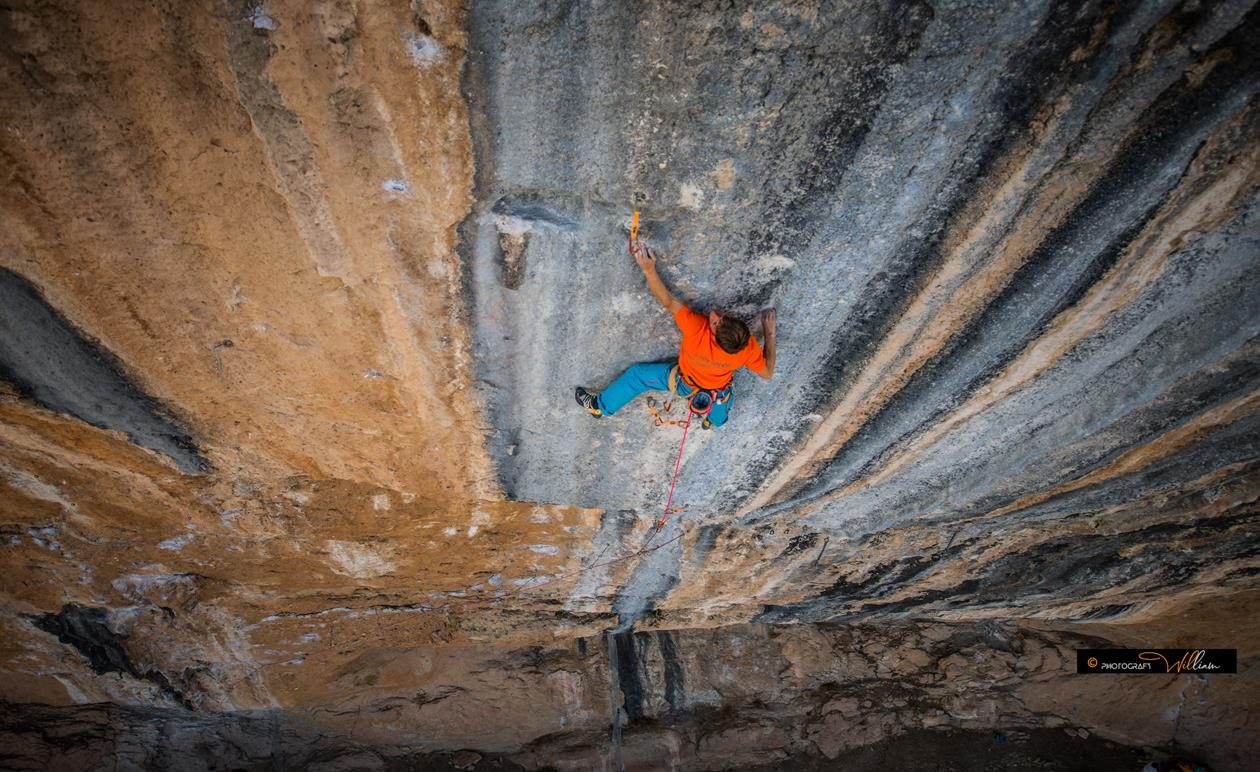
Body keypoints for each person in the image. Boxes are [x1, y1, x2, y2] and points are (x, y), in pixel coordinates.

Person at [575, 241, 777, 428]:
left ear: (713, 335)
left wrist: (649, 270)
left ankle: (599, 407)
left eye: (715, 323)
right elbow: (767, 373)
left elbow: (668, 302)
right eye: (722, 318)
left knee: (637, 375)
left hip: (684, 384)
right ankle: (712, 421)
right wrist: (769, 333)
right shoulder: (746, 347)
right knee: (720, 410)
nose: (715, 315)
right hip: (717, 391)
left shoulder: (697, 329)